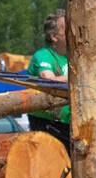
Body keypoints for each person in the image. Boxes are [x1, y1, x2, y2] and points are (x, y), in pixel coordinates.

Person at [26, 10, 70, 150]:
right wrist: (77, 78)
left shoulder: (72, 57)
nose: (72, 30)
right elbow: (49, 80)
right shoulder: (43, 55)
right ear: (54, 37)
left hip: (67, 123)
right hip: (47, 123)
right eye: (66, 28)